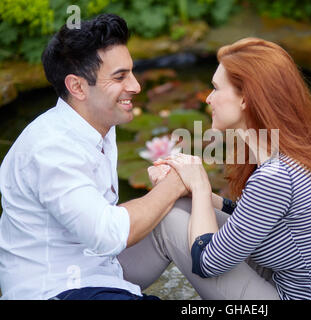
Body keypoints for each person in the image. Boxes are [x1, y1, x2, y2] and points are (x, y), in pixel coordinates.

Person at [0, 14, 281, 300]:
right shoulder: (50, 149)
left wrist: (188, 191)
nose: (136, 86)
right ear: (78, 87)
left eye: (132, 72)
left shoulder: (99, 125)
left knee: (174, 213)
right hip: (60, 288)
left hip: (103, 267)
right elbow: (108, 234)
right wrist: (177, 183)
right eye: (120, 77)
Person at [155, 38, 311, 300]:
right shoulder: (294, 153)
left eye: (216, 88)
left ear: (246, 99)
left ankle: (108, 287)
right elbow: (252, 218)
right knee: (180, 204)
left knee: (172, 218)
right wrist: (188, 192)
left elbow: (206, 263)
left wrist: (199, 186)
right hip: (292, 285)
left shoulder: (276, 176)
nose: (208, 98)